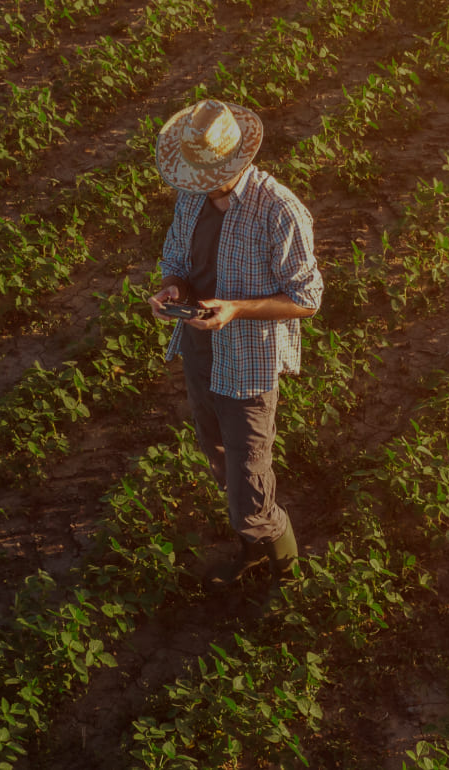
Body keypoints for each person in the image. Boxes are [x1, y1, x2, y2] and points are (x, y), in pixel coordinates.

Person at [145, 99, 321, 593]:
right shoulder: (192, 196)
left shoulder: (278, 209)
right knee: (218, 453)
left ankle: (285, 569)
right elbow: (176, 256)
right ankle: (252, 544)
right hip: (201, 351)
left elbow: (307, 299)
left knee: (248, 473)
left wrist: (236, 309)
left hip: (248, 362)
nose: (194, 185)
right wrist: (171, 289)